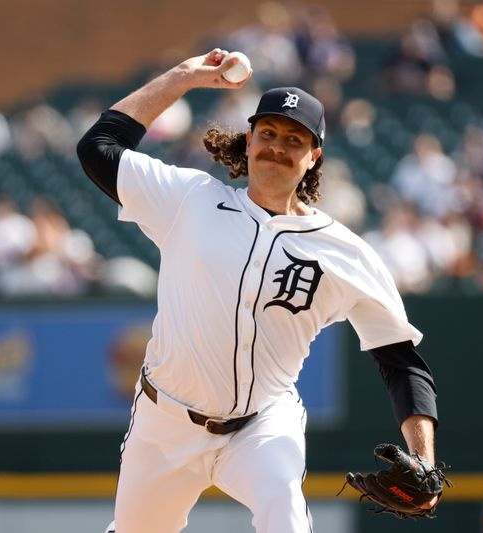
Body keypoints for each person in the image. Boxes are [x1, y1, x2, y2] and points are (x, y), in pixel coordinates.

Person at [77, 49, 440, 533]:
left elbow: (402, 363)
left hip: (261, 424)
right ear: (248, 142)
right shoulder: (188, 199)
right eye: (267, 133)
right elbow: (98, 147)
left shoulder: (346, 254)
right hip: (165, 423)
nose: (277, 146)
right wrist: (184, 77)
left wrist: (425, 463)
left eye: (294, 139)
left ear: (314, 158)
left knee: (283, 515)